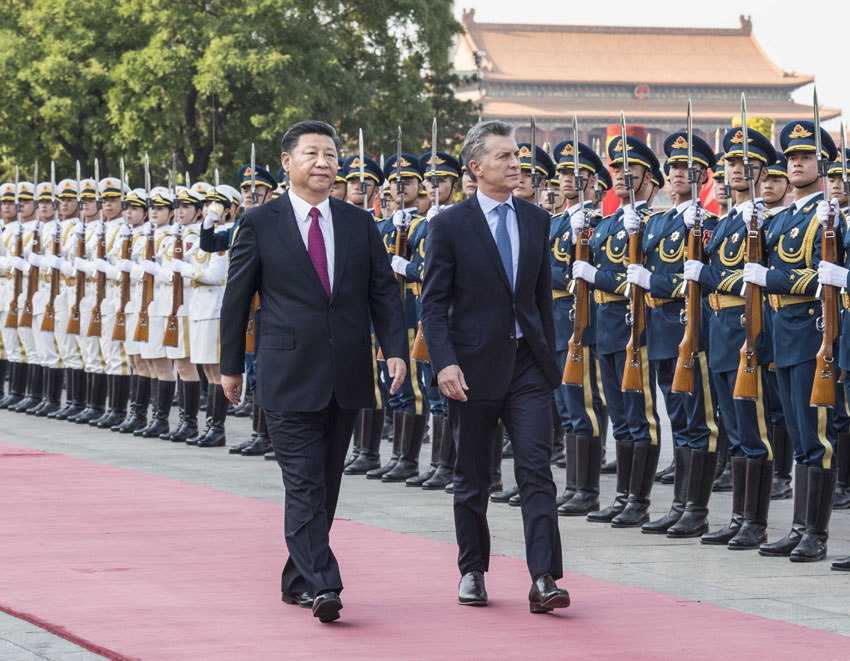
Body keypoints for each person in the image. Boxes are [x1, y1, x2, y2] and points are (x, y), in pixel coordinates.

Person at [220, 120, 407, 623]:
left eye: (330, 154)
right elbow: (237, 299)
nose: (323, 162)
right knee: (303, 483)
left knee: (324, 482)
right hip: (286, 371)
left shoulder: (357, 221)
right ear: (288, 162)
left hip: (345, 372)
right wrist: (230, 365)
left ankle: (296, 578)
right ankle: (324, 583)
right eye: (311, 153)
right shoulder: (260, 222)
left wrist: (396, 349)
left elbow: (381, 292)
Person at [421, 119, 570, 613]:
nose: (516, 164)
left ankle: (544, 577)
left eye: (517, 156)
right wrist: (443, 363)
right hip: (472, 368)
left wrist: (550, 357)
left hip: (527, 365)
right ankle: (472, 571)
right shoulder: (448, 225)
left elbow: (539, 298)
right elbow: (433, 304)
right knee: (474, 475)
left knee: (536, 471)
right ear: (476, 166)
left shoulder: (535, 220)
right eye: (504, 157)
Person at [751, 120, 840, 562]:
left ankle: (816, 534)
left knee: (815, 435)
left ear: (821, 164)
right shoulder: (780, 217)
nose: (797, 163)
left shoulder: (830, 215)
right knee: (799, 435)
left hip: (811, 333)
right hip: (781, 333)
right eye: (791, 158)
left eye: (805, 157)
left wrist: (771, 277)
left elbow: (816, 277)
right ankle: (800, 526)